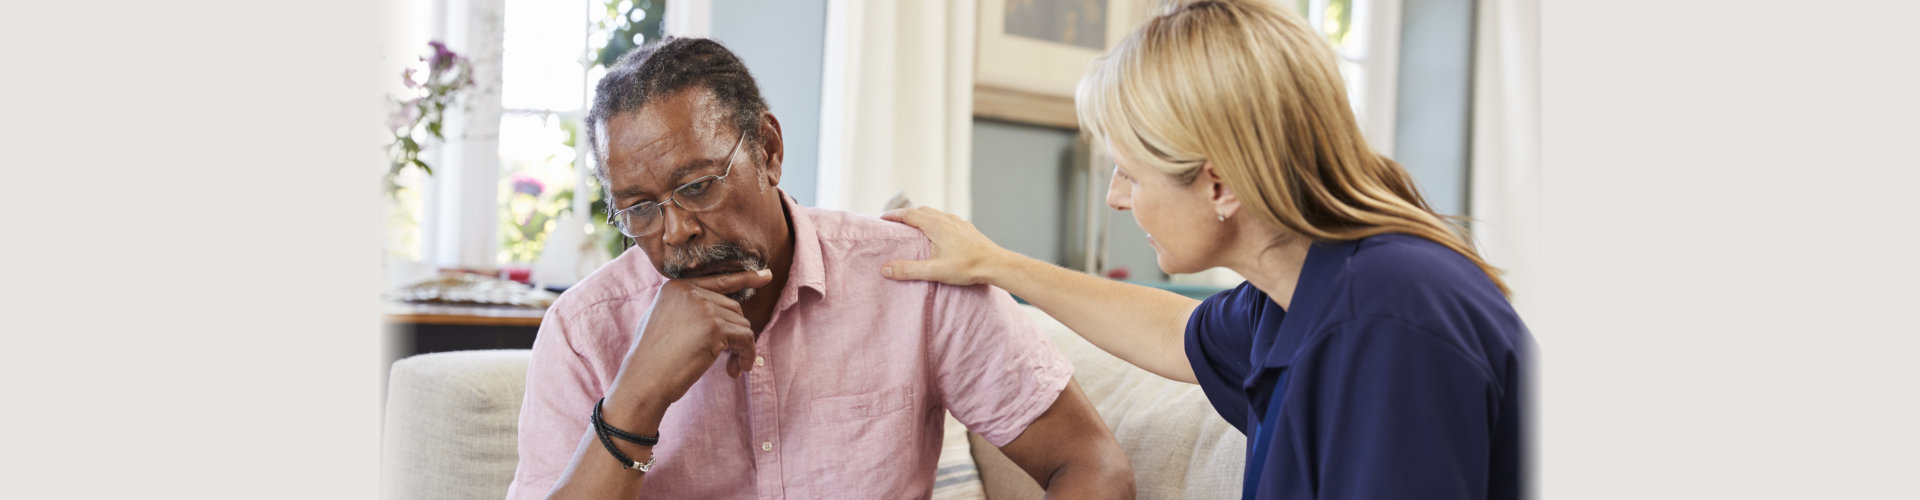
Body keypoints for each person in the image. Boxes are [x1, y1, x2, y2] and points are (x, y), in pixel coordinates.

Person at [880, 1, 1533, 499]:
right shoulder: (1303, 289)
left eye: (1129, 174)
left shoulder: (1387, 317)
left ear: (1218, 183)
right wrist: (996, 262)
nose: (1115, 197)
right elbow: (1174, 335)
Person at [505, 37, 1134, 499]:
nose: (675, 232)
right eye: (638, 210)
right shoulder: (583, 330)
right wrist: (636, 397)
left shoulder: (911, 278)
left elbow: (1089, 464)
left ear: (769, 150)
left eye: (697, 186)